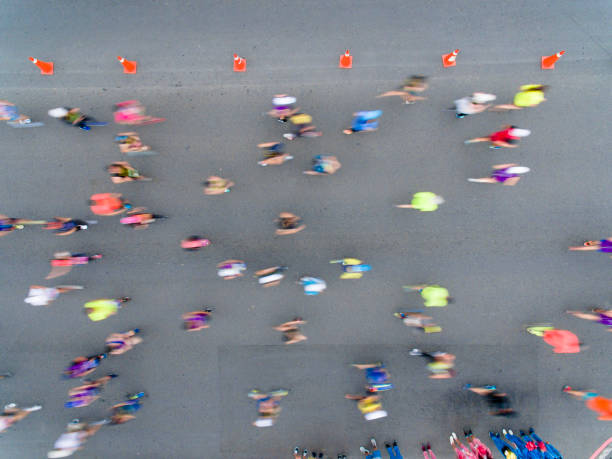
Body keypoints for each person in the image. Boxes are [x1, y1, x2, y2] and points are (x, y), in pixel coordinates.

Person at [464, 125, 531, 149]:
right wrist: (511, 146)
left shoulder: (514, 128)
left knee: (484, 138)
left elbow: (507, 126)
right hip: (497, 140)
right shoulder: (512, 139)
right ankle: (492, 146)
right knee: (488, 141)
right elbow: (504, 144)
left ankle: (469, 141)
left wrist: (503, 128)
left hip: (496, 134)